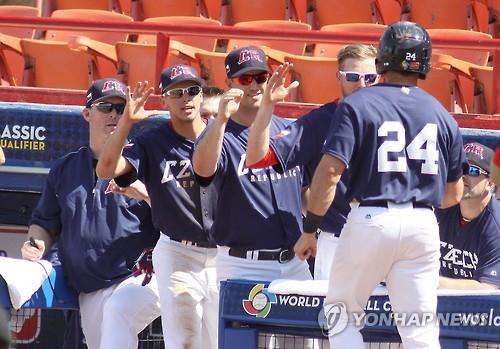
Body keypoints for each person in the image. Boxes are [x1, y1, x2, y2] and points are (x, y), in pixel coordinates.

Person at [296, 22, 466, 349]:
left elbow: (329, 172)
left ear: (382, 61)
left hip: (371, 218)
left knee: (342, 315)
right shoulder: (443, 115)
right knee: (420, 329)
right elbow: (453, 195)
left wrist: (311, 227)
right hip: (423, 224)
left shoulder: (359, 103)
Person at [20, 78, 161, 349]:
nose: (114, 114)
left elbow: (177, 217)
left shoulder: (143, 161)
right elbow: (44, 223)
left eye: (121, 108)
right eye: (106, 106)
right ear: (87, 113)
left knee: (118, 312)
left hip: (137, 277)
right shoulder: (65, 168)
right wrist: (36, 243)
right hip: (90, 286)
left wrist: (144, 193)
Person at [96, 65, 219, 349]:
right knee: (184, 342)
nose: (186, 98)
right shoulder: (152, 141)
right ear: (163, 100)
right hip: (179, 252)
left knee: (220, 340)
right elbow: (106, 170)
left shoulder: (222, 135)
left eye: (192, 90)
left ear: (201, 95)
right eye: (176, 92)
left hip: (224, 252)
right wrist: (126, 122)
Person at [246, 44, 379, 279]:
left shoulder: (397, 116)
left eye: (370, 77)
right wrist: (267, 106)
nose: (361, 85)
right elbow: (258, 158)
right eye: (353, 77)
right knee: (334, 315)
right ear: (338, 77)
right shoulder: (321, 121)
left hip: (386, 239)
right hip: (338, 241)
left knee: (394, 316)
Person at [192, 45, 312, 285]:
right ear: (230, 82)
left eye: (260, 77)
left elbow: (304, 190)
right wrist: (221, 120)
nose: (254, 86)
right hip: (244, 265)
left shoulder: (288, 129)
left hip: (295, 263)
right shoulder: (218, 133)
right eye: (245, 78)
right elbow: (202, 170)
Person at [438, 142, 500, 289]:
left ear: (490, 183)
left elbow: (488, 289)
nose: (463, 175)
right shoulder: (440, 206)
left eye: (472, 170)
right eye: (460, 168)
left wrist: (433, 282)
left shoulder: (496, 227)